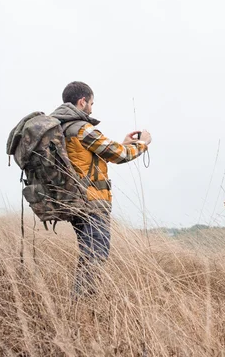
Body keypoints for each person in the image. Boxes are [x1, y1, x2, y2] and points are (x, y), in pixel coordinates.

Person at [50, 81, 152, 296]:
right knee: (96, 256)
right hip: (92, 202)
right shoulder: (81, 128)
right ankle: (82, 304)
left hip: (75, 200)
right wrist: (142, 144)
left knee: (89, 256)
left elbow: (90, 156)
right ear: (82, 101)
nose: (92, 109)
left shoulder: (61, 127)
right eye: (91, 103)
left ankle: (82, 303)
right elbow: (119, 155)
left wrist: (124, 143)